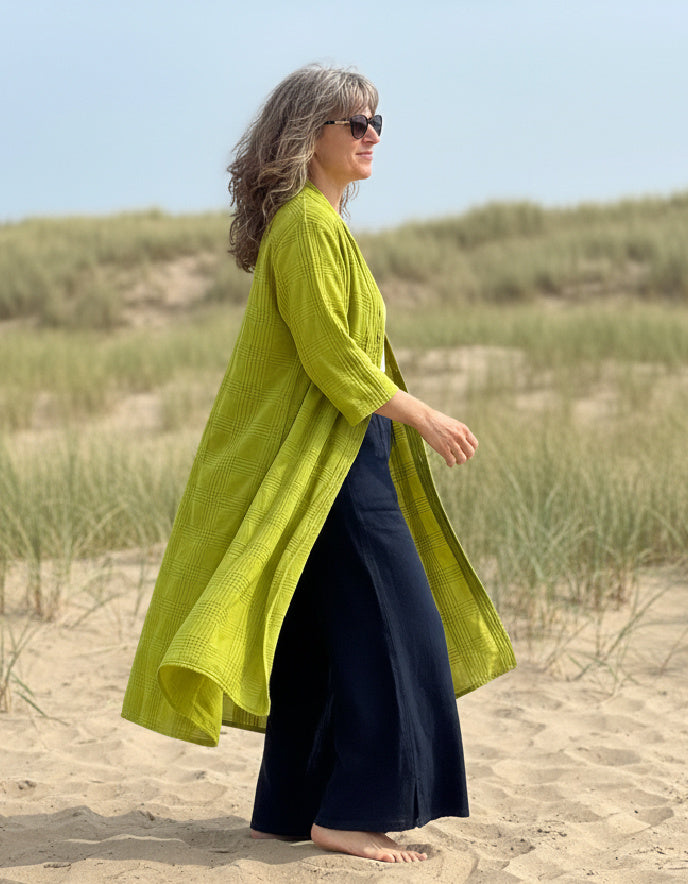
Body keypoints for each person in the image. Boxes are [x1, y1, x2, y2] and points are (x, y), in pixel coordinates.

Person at [122, 64, 515, 865]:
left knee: (321, 638)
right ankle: (354, 811)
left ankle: (293, 809)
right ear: (309, 136)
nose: (372, 136)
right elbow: (331, 353)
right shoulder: (305, 225)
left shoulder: (319, 223)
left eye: (377, 122)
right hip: (325, 463)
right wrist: (425, 415)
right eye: (355, 123)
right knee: (398, 630)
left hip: (332, 454)